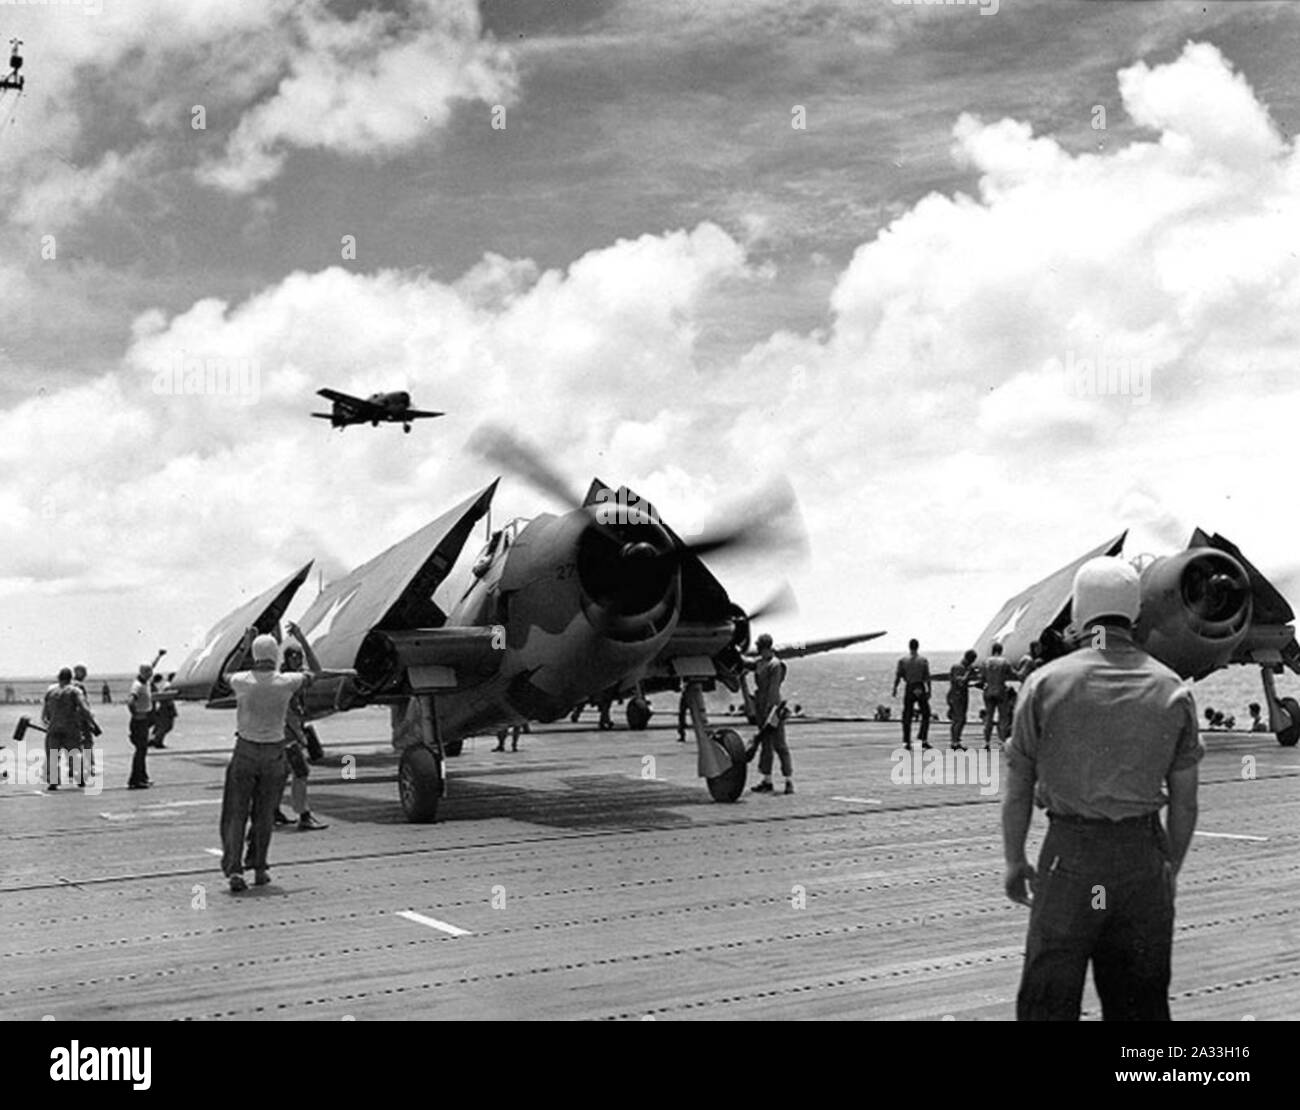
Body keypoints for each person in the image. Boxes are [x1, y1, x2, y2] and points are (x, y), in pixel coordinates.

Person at [1002, 556, 1202, 1021]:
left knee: (1047, 1003)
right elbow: (1187, 803)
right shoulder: (1172, 688)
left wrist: (1015, 861)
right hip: (1142, 863)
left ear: (1080, 613)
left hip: (1069, 860)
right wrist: (1167, 865)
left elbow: (1017, 791)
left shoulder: (1044, 684)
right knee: (1141, 1008)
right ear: (1133, 614)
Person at [220, 623, 321, 893]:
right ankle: (260, 868)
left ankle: (235, 872)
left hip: (246, 750)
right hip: (275, 753)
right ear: (276, 655)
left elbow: (224, 673)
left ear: (254, 655)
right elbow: (317, 672)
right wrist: (301, 638)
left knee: (236, 813)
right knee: (264, 814)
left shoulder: (242, 681)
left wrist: (244, 644)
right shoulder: (286, 682)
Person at [274, 641, 328, 831]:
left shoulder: (293, 677)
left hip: (285, 734)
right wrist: (300, 736)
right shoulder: (288, 681)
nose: (297, 659)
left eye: (299, 656)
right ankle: (304, 816)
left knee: (284, 773)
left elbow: (319, 672)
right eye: (293, 656)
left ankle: (273, 811)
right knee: (301, 772)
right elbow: (286, 712)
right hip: (289, 735)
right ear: (286, 659)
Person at [746, 634, 793, 794]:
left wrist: (770, 713)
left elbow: (773, 692)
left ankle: (788, 780)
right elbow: (748, 664)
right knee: (766, 745)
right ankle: (767, 780)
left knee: (779, 744)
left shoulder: (775, 665)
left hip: (772, 709)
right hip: (762, 707)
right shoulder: (761, 663)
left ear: (763, 647)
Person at [42, 667, 95, 790]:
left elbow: (45, 714)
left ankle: (53, 781)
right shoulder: (74, 691)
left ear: (58, 677)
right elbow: (84, 708)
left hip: (54, 727)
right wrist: (91, 721)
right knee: (74, 753)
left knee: (53, 755)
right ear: (70, 678)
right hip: (70, 728)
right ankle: (80, 778)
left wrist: (50, 722)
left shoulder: (51, 691)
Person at [892, 638, 932, 750]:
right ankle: (922, 738)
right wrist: (929, 690)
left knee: (907, 715)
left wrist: (895, 688)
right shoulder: (923, 660)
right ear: (917, 646)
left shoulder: (903, 661)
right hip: (920, 686)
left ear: (909, 647)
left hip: (910, 686)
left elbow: (898, 676)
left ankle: (906, 741)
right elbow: (927, 677)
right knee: (926, 713)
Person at [978, 642, 1013, 749]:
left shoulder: (985, 662)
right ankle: (1002, 742)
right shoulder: (1005, 662)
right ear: (1001, 651)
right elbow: (1011, 674)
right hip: (1001, 690)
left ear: (992, 650)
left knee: (989, 717)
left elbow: (981, 679)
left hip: (988, 691)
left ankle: (987, 743)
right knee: (1003, 718)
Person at [71, 664, 101, 785]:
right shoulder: (79, 686)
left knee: (74, 744)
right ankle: (90, 767)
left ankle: (73, 768)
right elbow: (83, 704)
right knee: (87, 743)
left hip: (72, 719)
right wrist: (91, 721)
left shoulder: (69, 684)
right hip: (81, 719)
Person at [125, 663, 154, 789]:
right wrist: (135, 713)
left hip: (143, 719)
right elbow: (131, 701)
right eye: (148, 672)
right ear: (142, 673)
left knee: (143, 750)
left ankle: (142, 777)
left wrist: (159, 657)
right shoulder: (138, 686)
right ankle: (135, 780)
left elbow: (151, 665)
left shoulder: (144, 683)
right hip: (139, 721)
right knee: (140, 751)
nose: (151, 674)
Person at [947, 649, 978, 750]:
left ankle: (955, 741)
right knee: (959, 720)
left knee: (958, 719)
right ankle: (955, 743)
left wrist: (974, 684)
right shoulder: (958, 667)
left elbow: (963, 684)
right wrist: (969, 672)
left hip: (960, 695)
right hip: (957, 696)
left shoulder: (962, 668)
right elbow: (960, 682)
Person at [150, 675, 177, 748]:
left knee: (161, 726)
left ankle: (153, 740)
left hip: (164, 707)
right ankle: (157, 741)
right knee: (166, 726)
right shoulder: (168, 685)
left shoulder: (164, 685)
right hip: (167, 707)